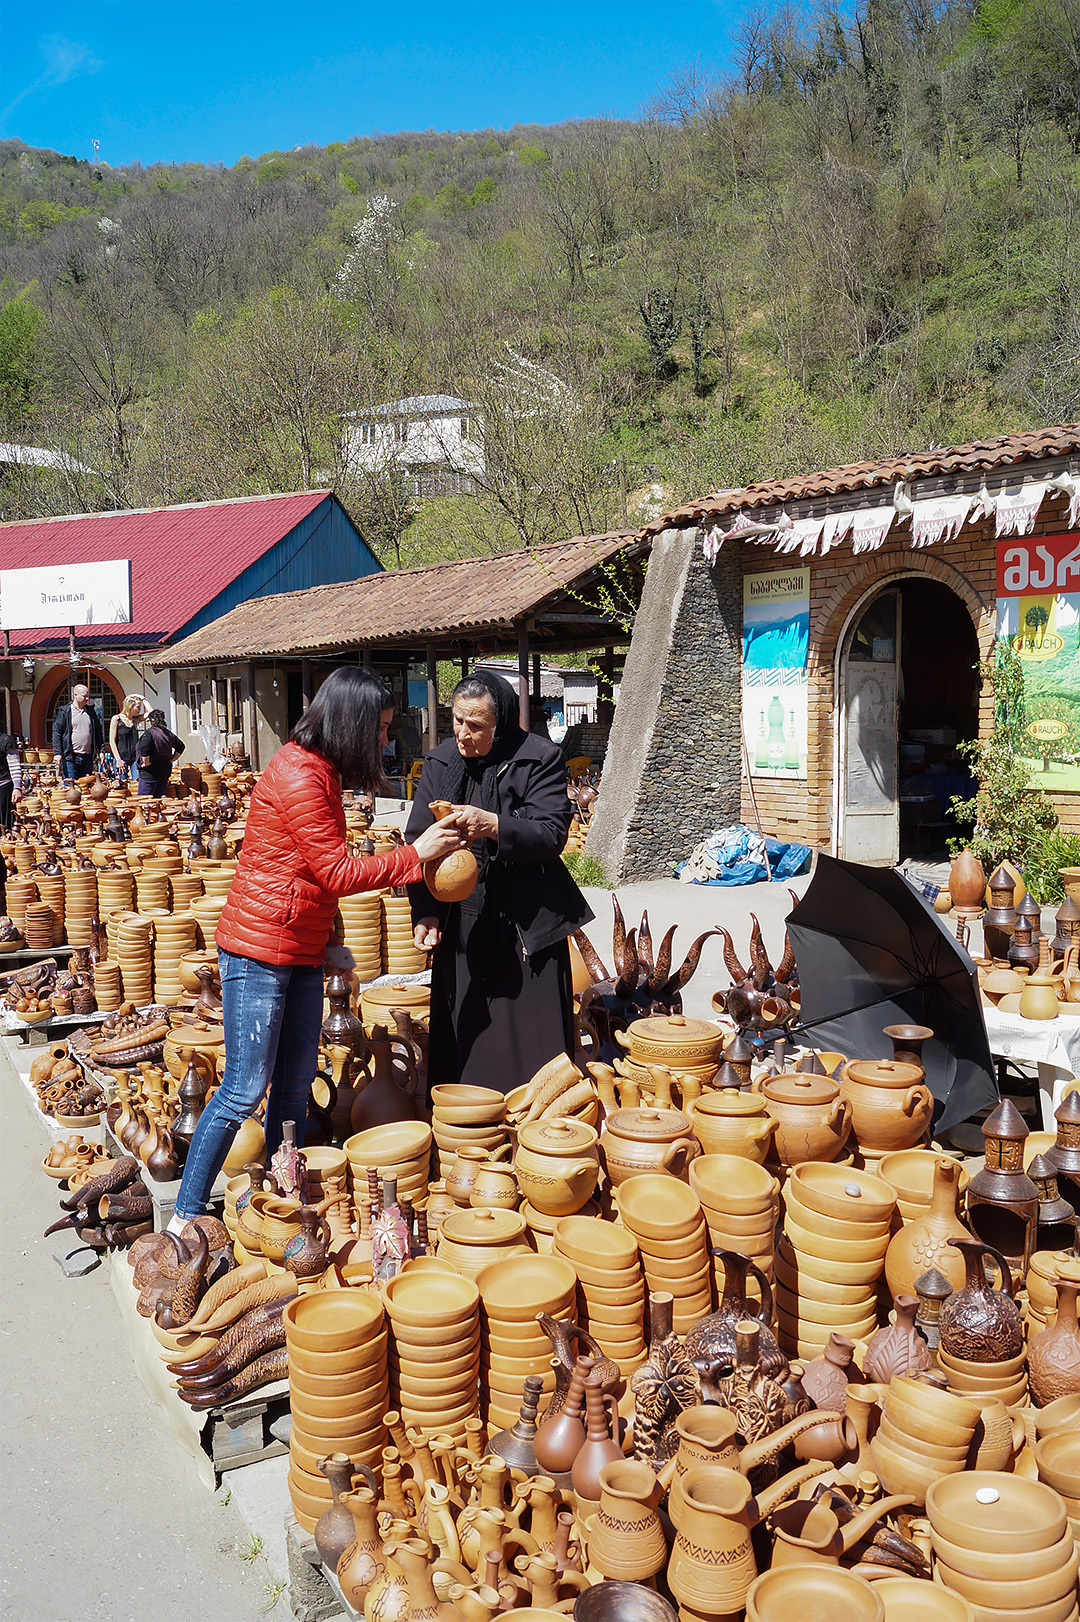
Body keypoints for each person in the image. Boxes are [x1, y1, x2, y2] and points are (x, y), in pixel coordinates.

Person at [168, 666, 463, 1229]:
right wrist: (417, 854)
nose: (384, 739)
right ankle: (184, 1213)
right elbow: (333, 871)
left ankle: (284, 1201)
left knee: (296, 1086)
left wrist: (333, 947)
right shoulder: (300, 776)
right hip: (259, 952)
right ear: (350, 725)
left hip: (297, 949)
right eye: (377, 729)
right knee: (243, 1088)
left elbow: (307, 874)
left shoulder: (321, 773)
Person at [406, 669, 593, 1098]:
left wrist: (493, 824)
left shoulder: (538, 757)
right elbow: (418, 844)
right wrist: (427, 911)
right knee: (467, 1034)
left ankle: (538, 1128)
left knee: (532, 1041)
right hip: (464, 919)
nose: (462, 734)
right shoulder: (439, 763)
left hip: (526, 918)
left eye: (476, 726)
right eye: (456, 721)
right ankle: (470, 1128)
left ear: (501, 723)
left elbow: (551, 834)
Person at [52, 684, 103, 782]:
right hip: (71, 757)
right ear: (75, 695)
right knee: (71, 789)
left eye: (88, 696)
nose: (87, 698)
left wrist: (101, 751)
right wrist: (57, 753)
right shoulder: (65, 712)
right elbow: (57, 733)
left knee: (86, 789)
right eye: (84, 696)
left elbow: (98, 733)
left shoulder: (91, 712)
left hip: (87, 758)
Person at [136, 709, 185, 797]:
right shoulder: (168, 734)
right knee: (159, 800)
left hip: (150, 772)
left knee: (145, 801)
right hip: (164, 770)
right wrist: (171, 760)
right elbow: (181, 746)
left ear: (151, 721)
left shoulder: (149, 733)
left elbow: (144, 748)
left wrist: (146, 762)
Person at [109, 694, 146, 780]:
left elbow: (152, 713)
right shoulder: (116, 719)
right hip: (121, 757)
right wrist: (118, 759)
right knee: (122, 786)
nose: (140, 710)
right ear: (130, 706)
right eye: (138, 707)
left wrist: (143, 698)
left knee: (137, 783)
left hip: (135, 758)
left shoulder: (136, 719)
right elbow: (112, 741)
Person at [0, 733, 21, 828]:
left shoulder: (6, 740)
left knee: (5, 828)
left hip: (3, 789)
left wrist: (17, 787)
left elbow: (14, 766)